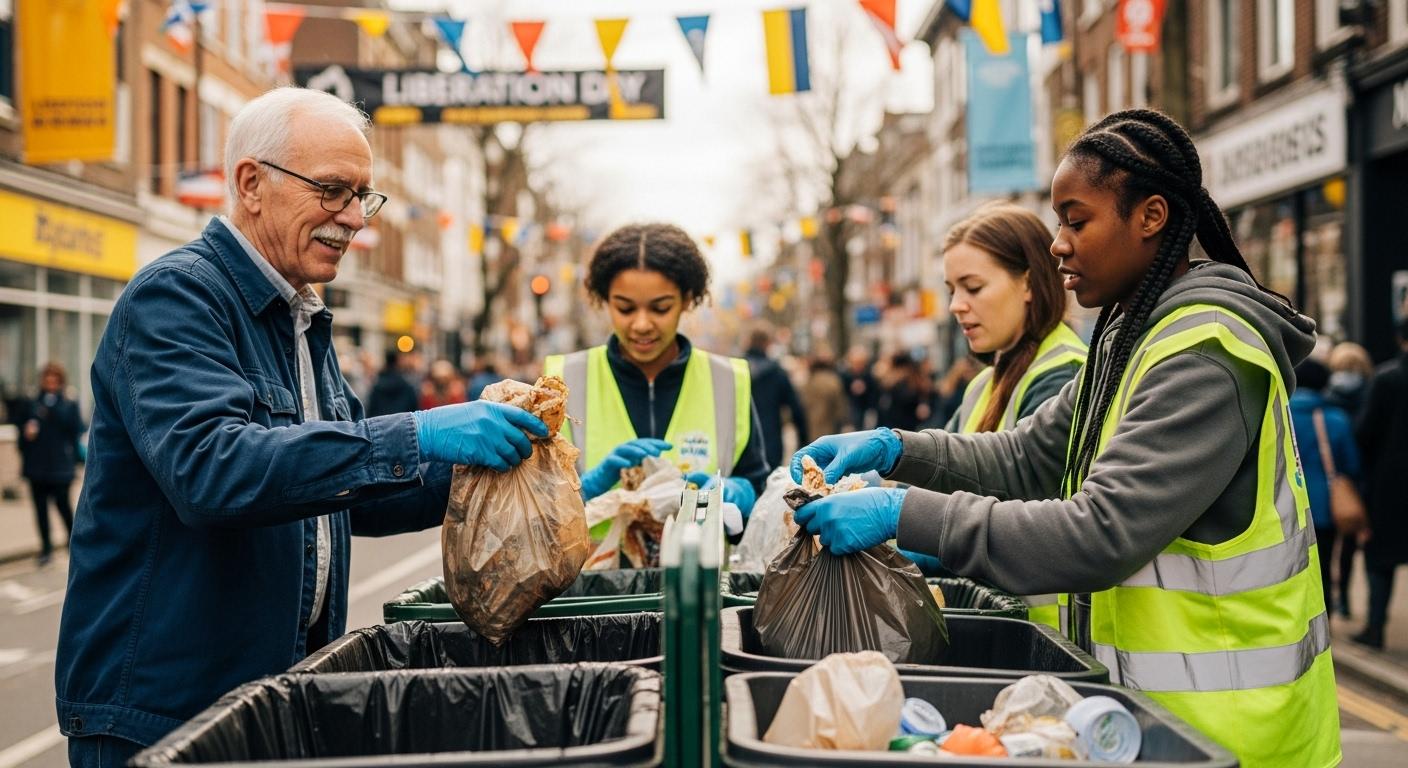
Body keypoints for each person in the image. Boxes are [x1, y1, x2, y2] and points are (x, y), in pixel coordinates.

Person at [789, 110, 1339, 766]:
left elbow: (1101, 532)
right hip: (1149, 725)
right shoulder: (1129, 336)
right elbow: (1027, 455)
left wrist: (900, 513)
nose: (1059, 244)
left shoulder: (1204, 354)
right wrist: (895, 448)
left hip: (1234, 737)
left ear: (1152, 217)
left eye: (1076, 221)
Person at [54, 87, 549, 767]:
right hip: (164, 715)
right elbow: (213, 472)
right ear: (251, 184)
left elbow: (343, 494)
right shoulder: (178, 297)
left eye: (362, 196)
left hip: (273, 698)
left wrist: (501, 467)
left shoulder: (301, 318)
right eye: (333, 190)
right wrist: (420, 433)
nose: (353, 218)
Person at [542, 223, 769, 534]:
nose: (642, 324)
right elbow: (533, 508)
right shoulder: (561, 382)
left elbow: (759, 495)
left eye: (660, 308)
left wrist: (739, 494)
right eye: (625, 308)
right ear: (605, 300)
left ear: (687, 299)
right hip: (589, 580)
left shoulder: (728, 381)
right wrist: (585, 489)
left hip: (698, 578)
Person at [937, 202, 1088, 627]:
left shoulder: (1066, 373)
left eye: (973, 287)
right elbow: (937, 471)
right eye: (951, 289)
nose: (956, 306)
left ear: (1028, 282)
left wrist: (902, 519)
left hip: (1042, 634)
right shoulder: (981, 386)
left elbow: (1020, 516)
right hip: (996, 619)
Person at [1352, 318, 1408, 650]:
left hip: (1389, 483)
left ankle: (1375, 629)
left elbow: (1364, 433)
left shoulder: (1387, 379)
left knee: (1380, 559)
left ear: (1400, 337)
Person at [1289, 358, 1360, 615]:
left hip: (1286, 503)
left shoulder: (1278, 413)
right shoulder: (1336, 419)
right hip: (1323, 506)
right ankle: (1325, 618)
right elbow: (1351, 463)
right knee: (1325, 565)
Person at [16, 362, 84, 566]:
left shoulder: (68, 402)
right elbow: (20, 430)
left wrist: (54, 407)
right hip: (37, 467)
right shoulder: (31, 402)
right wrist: (26, 434)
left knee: (64, 507)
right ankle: (46, 548)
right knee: (40, 511)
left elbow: (76, 429)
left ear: (60, 381)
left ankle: (74, 544)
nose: (51, 383)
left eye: (55, 380)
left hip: (61, 467)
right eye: (47, 379)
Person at [1326, 340, 1374, 617]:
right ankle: (1345, 596)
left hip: (1331, 481)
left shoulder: (1328, 396)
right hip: (1357, 480)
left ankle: (1334, 597)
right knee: (1351, 544)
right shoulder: (1370, 394)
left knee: (1328, 543)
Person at [743, 326, 809, 470]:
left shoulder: (736, 370)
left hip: (741, 443)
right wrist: (803, 441)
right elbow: (796, 408)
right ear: (767, 343)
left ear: (748, 341)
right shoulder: (777, 373)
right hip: (770, 442)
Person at [801, 349, 847, 440]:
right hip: (829, 423)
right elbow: (839, 404)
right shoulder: (833, 380)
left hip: (811, 422)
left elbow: (803, 402)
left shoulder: (810, 380)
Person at [365, 349, 420, 417]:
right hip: (402, 423)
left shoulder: (377, 385)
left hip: (380, 423)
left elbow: (371, 409)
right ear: (397, 362)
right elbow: (414, 410)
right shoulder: (407, 386)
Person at [840, 345, 878, 430]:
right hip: (849, 412)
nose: (858, 366)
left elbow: (874, 394)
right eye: (855, 363)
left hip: (865, 411)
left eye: (860, 363)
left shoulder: (869, 376)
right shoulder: (845, 376)